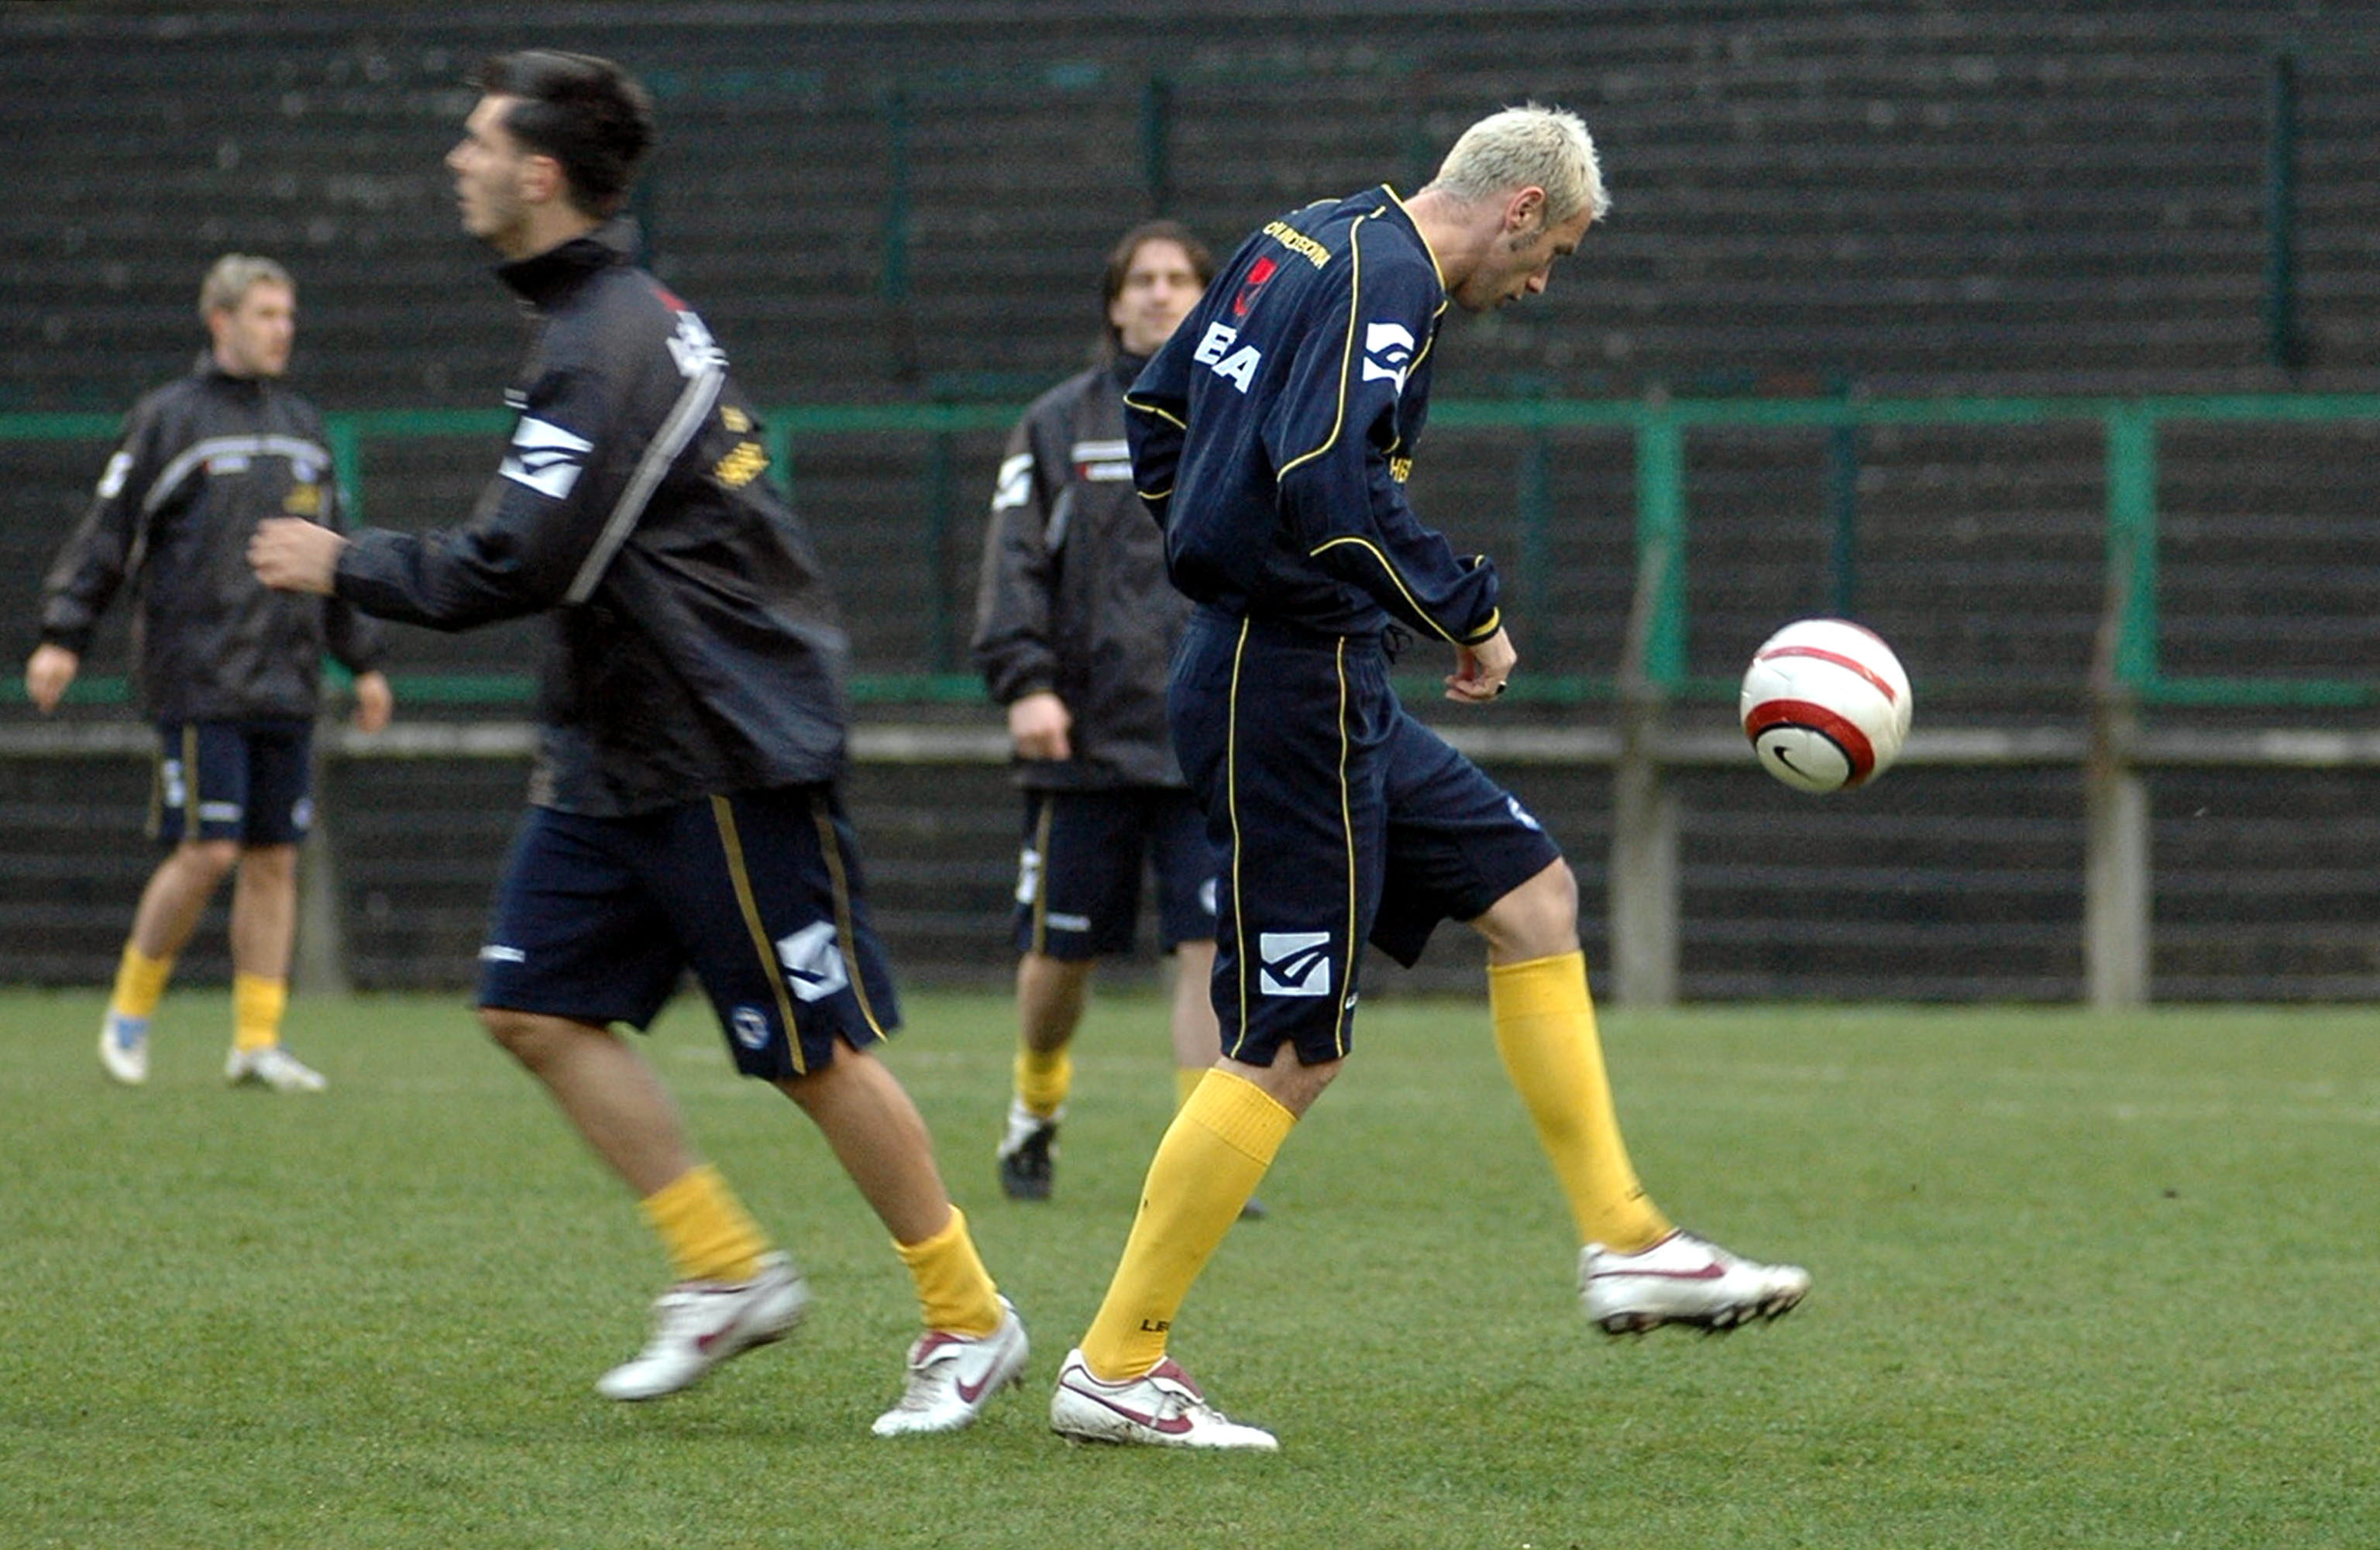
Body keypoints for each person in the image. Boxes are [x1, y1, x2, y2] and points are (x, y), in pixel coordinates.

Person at [246, 50, 1024, 1435]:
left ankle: (969, 1320)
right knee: (531, 1005)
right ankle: (726, 1270)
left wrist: (339, 559)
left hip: (723, 742)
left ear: (539, 174)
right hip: (624, 748)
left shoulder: (607, 341)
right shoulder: (594, 321)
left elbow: (518, 560)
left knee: (810, 1050)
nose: (456, 162)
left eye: (476, 141)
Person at [1046, 105, 1810, 1452]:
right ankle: (1115, 1361)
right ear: (1516, 209)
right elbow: (1329, 490)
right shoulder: (1392, 282)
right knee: (1290, 1043)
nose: (1543, 281)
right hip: (1280, 686)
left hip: (1309, 665)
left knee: (1531, 892)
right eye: (1556, 252)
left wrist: (1213, 547)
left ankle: (1625, 1238)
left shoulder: (1310, 229)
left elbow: (1157, 411)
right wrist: (1467, 611)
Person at [29, 253, 394, 1095]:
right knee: (209, 851)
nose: (282, 329)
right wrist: (63, 634)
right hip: (199, 679)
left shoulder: (305, 429)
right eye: (266, 313)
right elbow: (107, 534)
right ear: (221, 321)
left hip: (289, 681)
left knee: (274, 859)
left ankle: (256, 1043)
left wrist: (364, 661)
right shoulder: (169, 421)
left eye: (289, 314)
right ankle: (129, 1011)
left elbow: (330, 559)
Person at [972, 219, 1271, 1214]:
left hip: (1201, 739)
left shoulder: (1244, 415)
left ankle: (1206, 1167)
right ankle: (1036, 1108)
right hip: (1085, 746)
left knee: (1207, 952)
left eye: (1180, 278)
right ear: (1113, 302)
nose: (1159, 294)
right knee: (1061, 962)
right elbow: (1013, 561)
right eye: (1141, 280)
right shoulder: (1059, 425)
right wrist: (1026, 683)